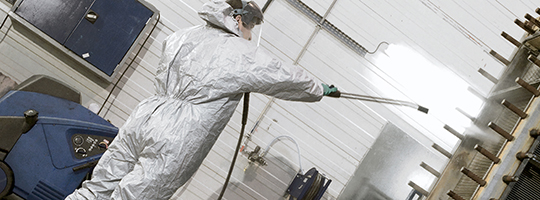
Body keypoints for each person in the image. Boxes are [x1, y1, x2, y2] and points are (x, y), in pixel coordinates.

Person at [65, 0, 337, 199]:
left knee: (95, 189)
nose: (251, 34)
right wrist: (318, 88)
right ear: (236, 18)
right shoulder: (239, 52)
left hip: (145, 116)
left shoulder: (182, 36)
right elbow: (281, 75)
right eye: (250, 25)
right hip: (177, 135)